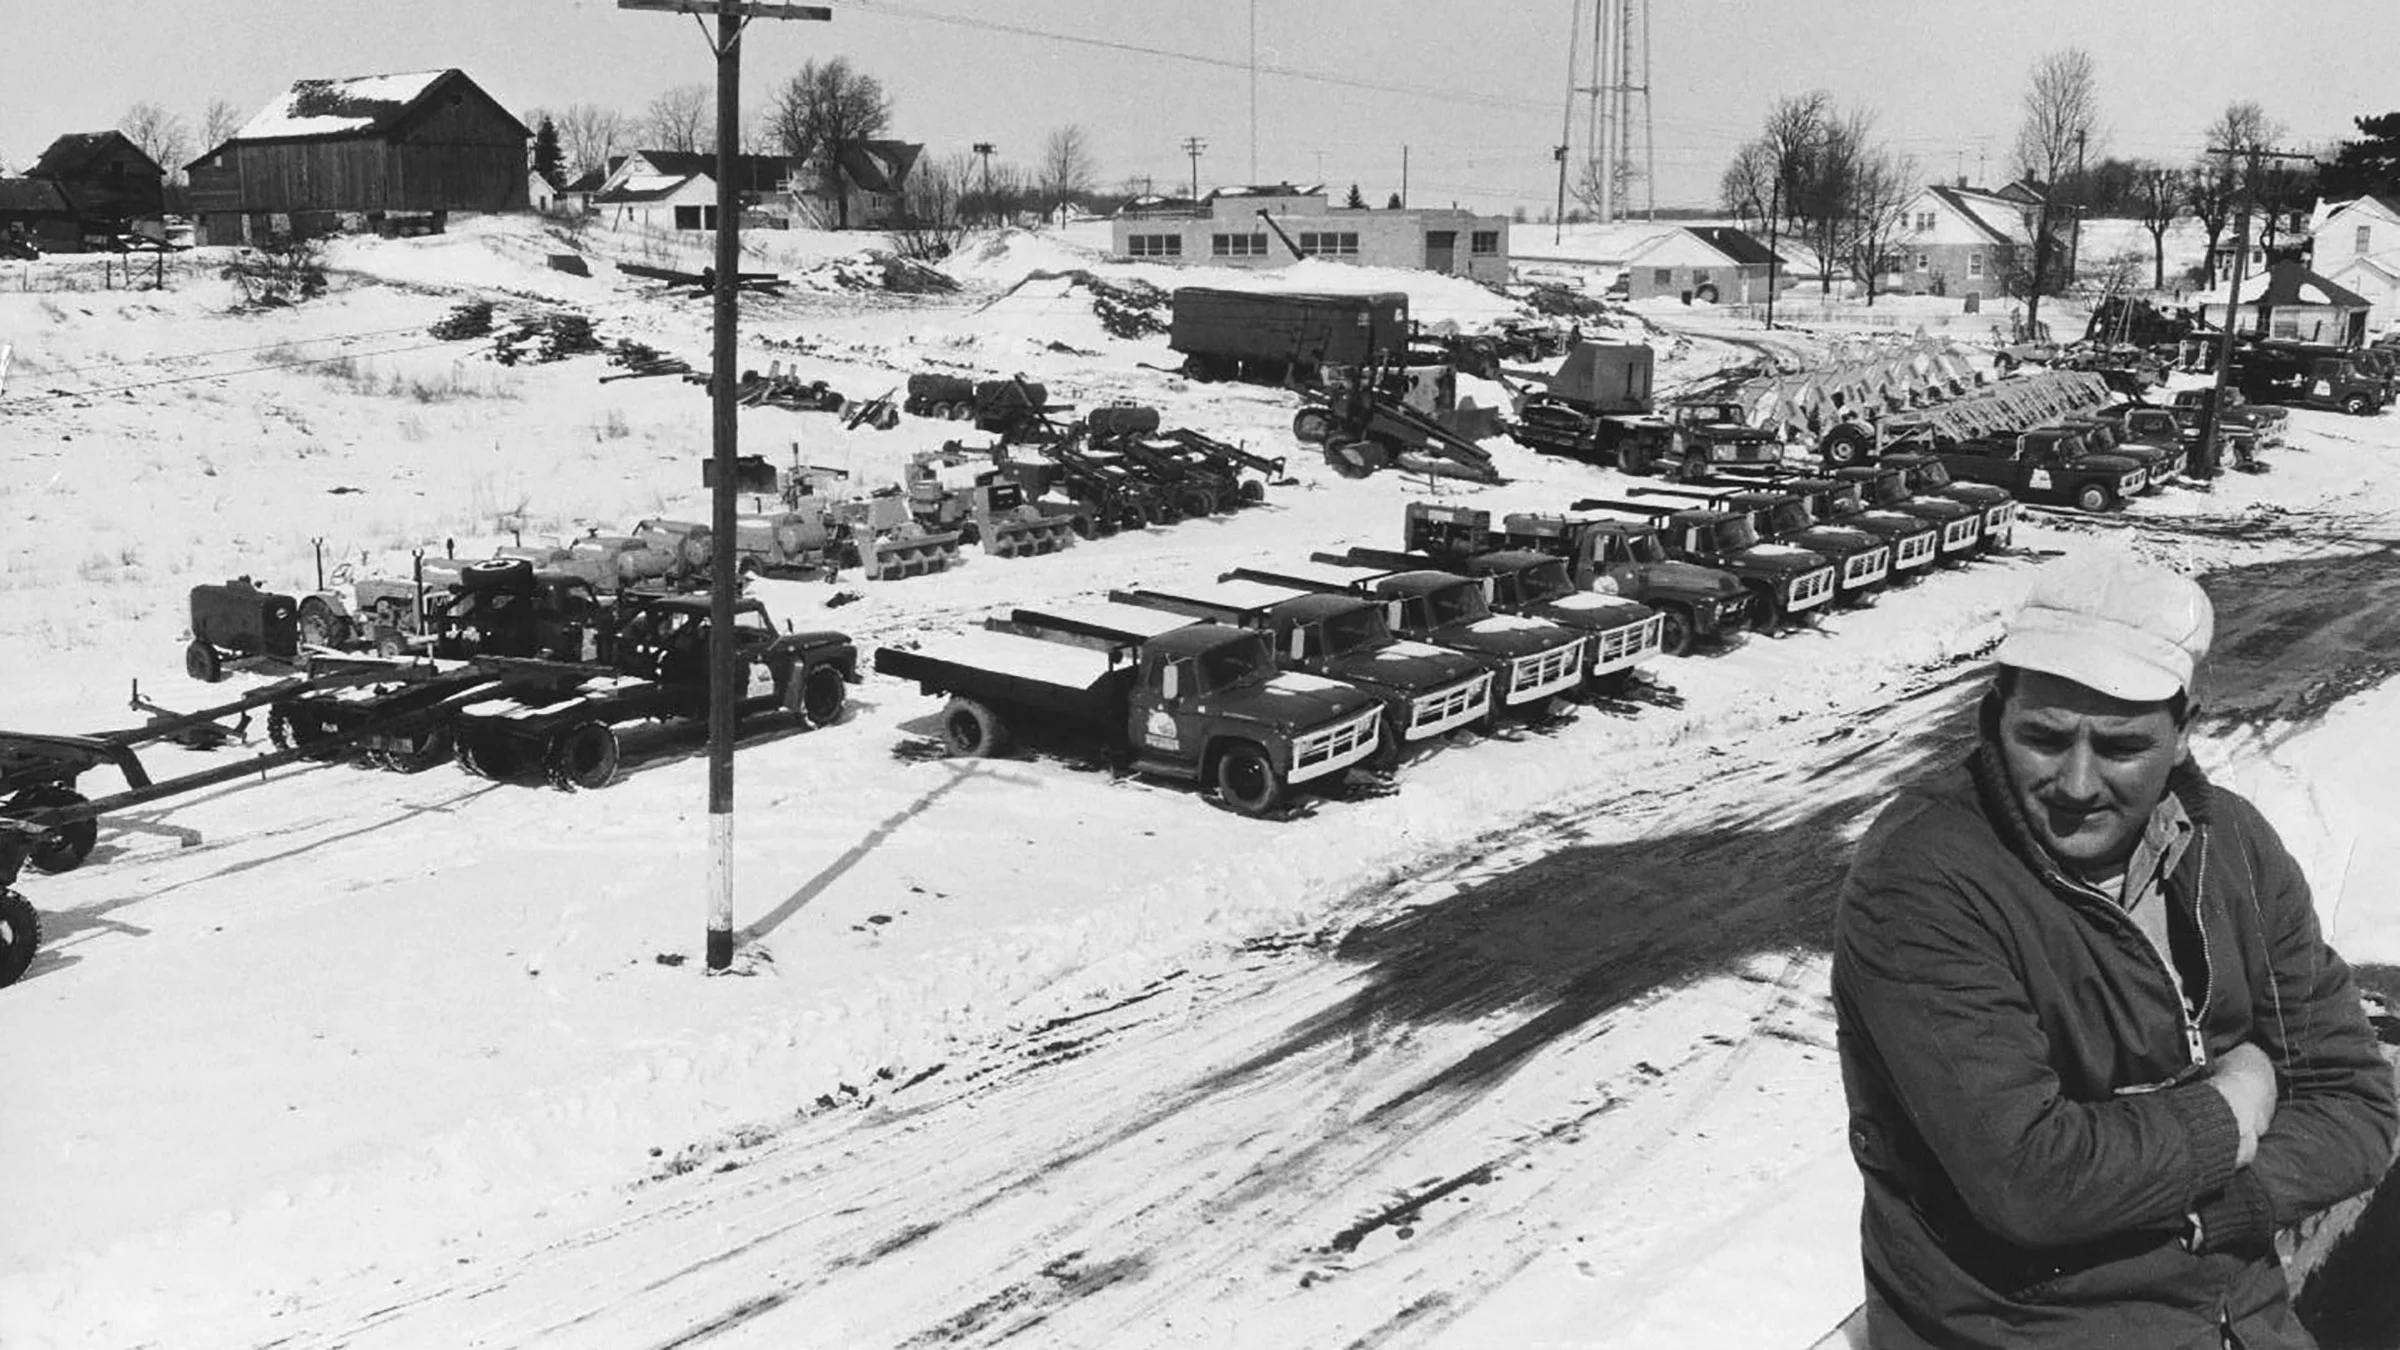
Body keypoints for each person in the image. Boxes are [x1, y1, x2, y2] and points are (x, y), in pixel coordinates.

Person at [1832, 555, 2396, 1350]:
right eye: (2043, 737)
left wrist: (2227, 1202)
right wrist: (2237, 1103)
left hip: (2241, 1318)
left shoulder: (2233, 849)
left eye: (2122, 747)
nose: (2076, 783)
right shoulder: (1926, 880)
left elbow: (2356, 1102)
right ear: (1994, 717)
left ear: (2184, 732)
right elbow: (2033, 1180)